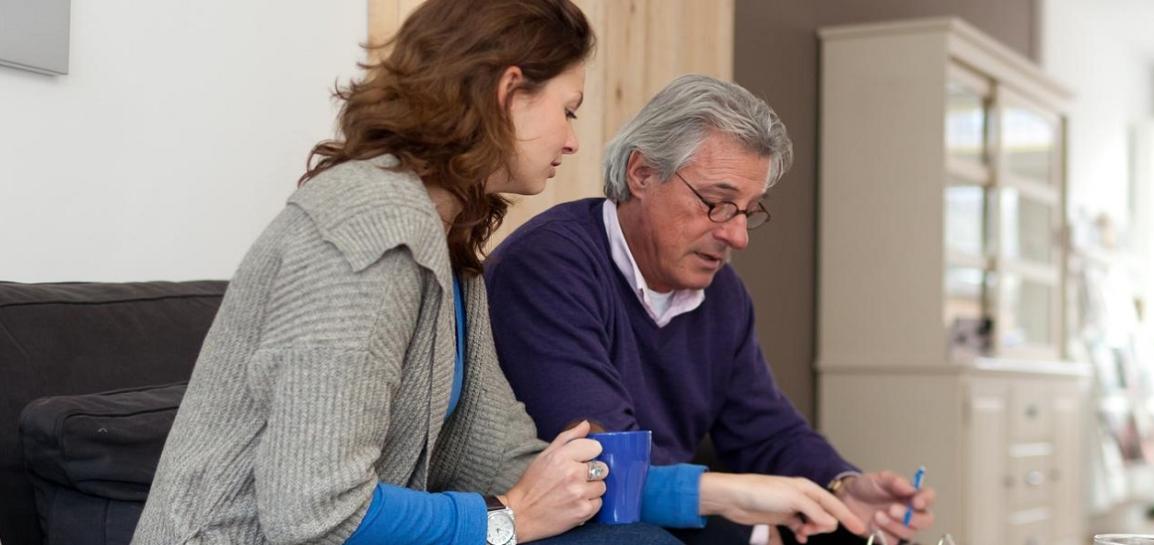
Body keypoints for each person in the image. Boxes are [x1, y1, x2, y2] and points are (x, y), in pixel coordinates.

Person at [132, 3, 856, 544]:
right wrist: (505, 521)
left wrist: (719, 494)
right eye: (567, 110)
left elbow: (511, 455)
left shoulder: (450, 249)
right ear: (510, 93)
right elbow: (314, 507)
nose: (575, 141)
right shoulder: (367, 230)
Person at [485, 74, 937, 545]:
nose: (737, 236)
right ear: (641, 173)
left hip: (672, 510)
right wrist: (753, 527)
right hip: (578, 517)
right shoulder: (549, 265)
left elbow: (766, 430)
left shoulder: (723, 294)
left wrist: (843, 485)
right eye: (717, 204)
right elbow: (605, 461)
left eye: (749, 210)